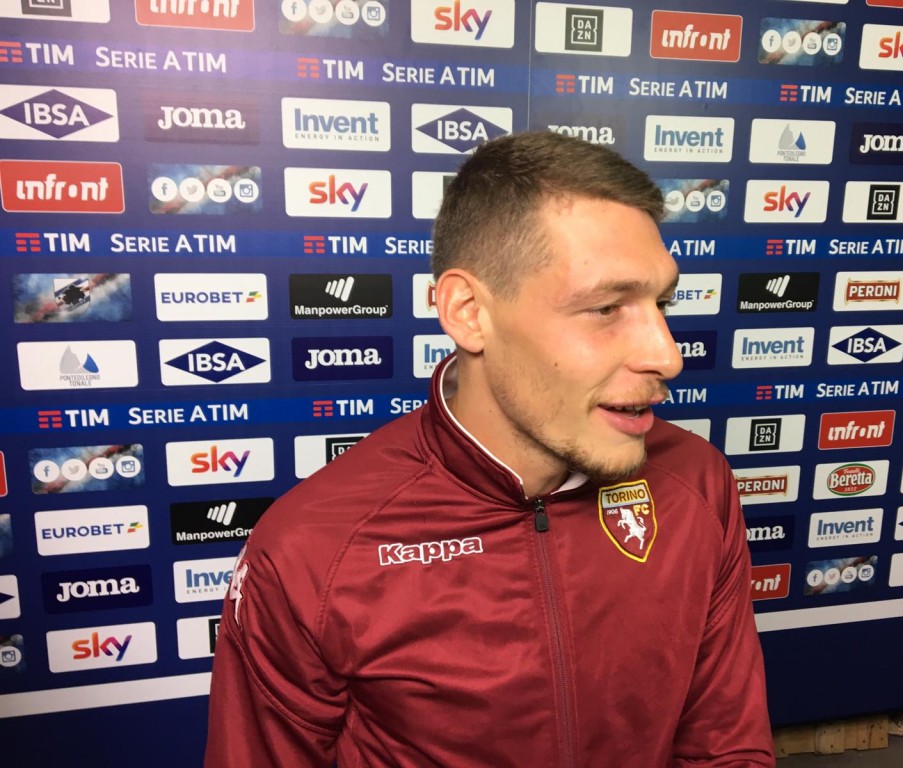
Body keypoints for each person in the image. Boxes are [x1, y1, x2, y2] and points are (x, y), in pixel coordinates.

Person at [205, 131, 775, 767]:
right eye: (607, 307)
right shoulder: (312, 548)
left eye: (661, 303)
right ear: (469, 311)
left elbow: (726, 747)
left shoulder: (696, 482)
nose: (667, 356)